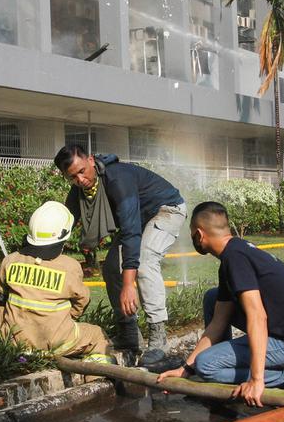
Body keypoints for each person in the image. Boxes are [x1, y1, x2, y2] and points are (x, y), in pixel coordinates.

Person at [156, 202, 284, 405]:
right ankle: (223, 367)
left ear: (199, 234)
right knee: (213, 297)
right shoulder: (235, 252)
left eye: (192, 234)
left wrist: (256, 380)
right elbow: (218, 322)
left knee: (207, 366)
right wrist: (186, 369)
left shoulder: (235, 257)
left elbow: (257, 316)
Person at [55, 144, 186, 370]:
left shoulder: (118, 179)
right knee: (111, 268)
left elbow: (131, 231)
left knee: (144, 263)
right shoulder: (80, 190)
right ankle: (129, 335)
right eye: (72, 177)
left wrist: (128, 284)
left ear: (91, 161)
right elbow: (63, 224)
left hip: (166, 209)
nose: (80, 179)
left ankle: (158, 339)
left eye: (82, 171)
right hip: (139, 219)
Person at [0, 201, 115, 365]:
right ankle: (96, 379)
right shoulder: (69, 266)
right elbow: (82, 301)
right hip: (57, 341)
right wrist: (65, 319)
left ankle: (6, 350)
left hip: (15, 341)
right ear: (64, 235)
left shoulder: (10, 260)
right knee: (97, 335)